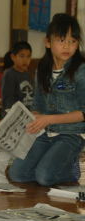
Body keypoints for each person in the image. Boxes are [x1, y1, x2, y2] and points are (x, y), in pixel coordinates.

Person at [8, 13, 85, 186]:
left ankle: (72, 169)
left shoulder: (81, 70)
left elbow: (83, 113)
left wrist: (48, 118)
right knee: (17, 174)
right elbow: (38, 105)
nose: (67, 46)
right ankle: (51, 165)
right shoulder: (42, 68)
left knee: (44, 177)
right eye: (61, 40)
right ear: (48, 42)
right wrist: (32, 116)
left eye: (73, 41)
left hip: (71, 134)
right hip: (46, 132)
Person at [0, 41, 34, 118]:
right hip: (14, 116)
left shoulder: (29, 74)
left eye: (28, 56)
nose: (25, 60)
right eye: (22, 56)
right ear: (13, 57)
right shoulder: (9, 74)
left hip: (28, 115)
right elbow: (8, 100)